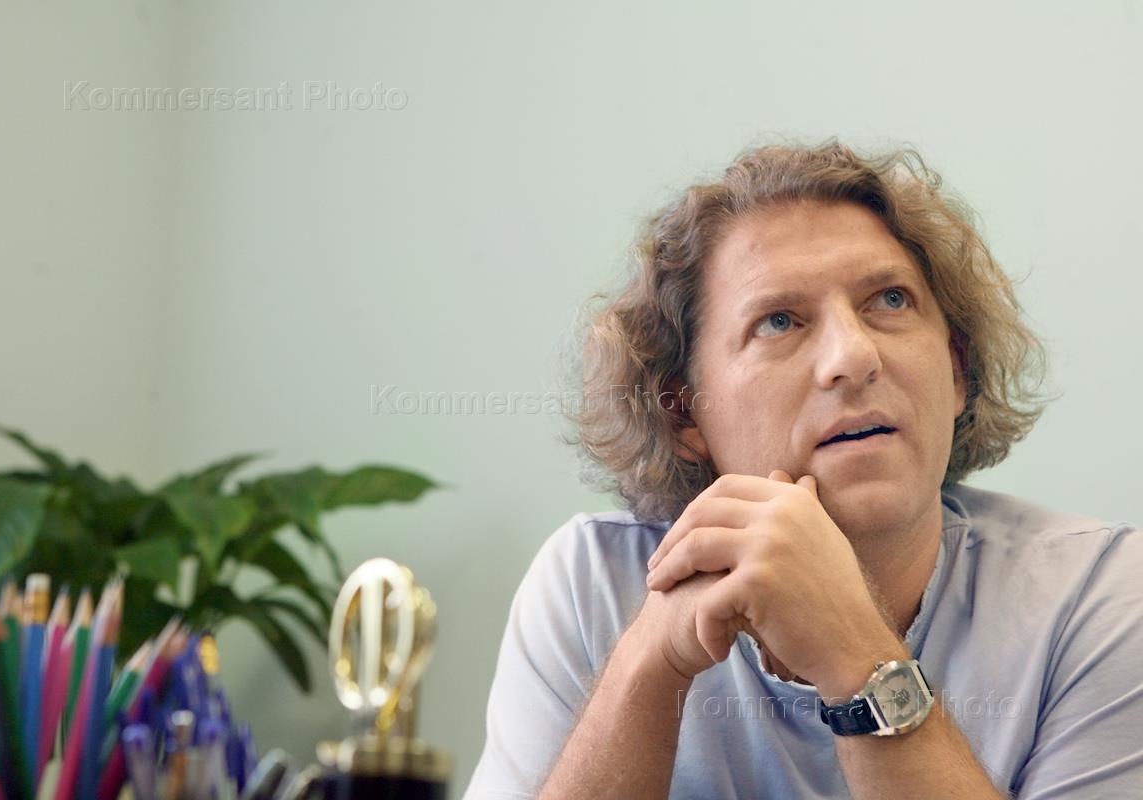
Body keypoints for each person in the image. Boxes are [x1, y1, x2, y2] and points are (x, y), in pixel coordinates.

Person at [464, 141, 1143, 799]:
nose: (853, 356)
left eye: (890, 300)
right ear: (685, 413)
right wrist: (648, 668)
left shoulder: (1096, 597)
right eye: (779, 321)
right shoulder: (591, 585)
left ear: (957, 370)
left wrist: (855, 654)